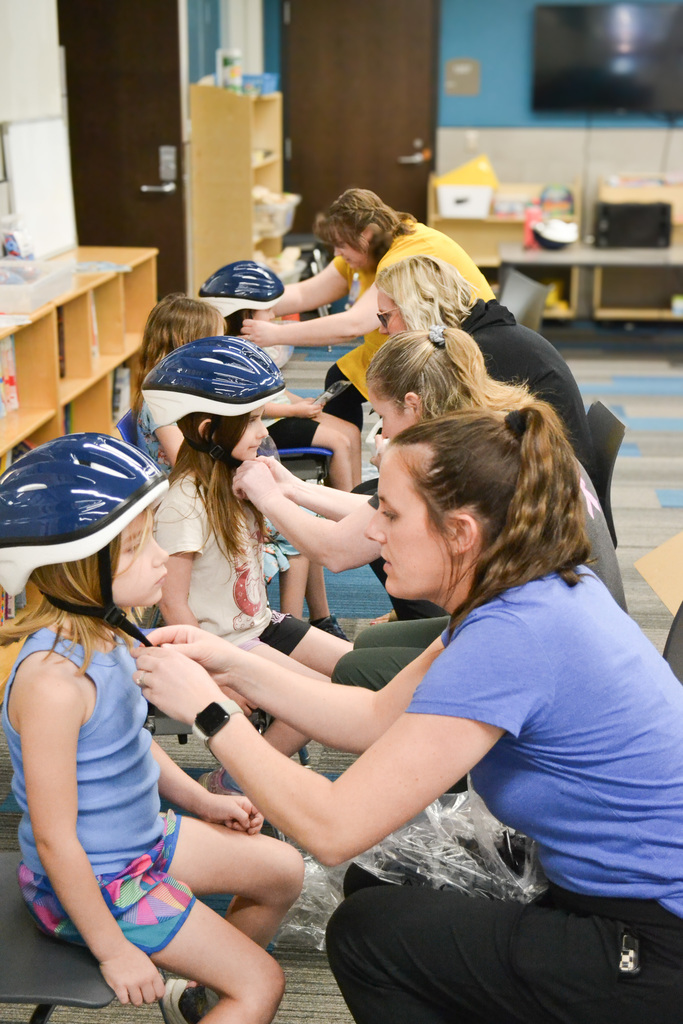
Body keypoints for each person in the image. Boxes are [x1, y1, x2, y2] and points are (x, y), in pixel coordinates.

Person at [134, 404, 683, 1024]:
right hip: (607, 892)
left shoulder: (515, 634)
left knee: (368, 934)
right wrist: (224, 660)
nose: (373, 533)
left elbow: (331, 829)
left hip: (654, 942)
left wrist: (210, 714)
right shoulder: (521, 587)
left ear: (461, 533)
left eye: (390, 515)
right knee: (382, 879)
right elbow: (372, 716)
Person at [0, 433, 304, 1024]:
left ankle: (200, 994)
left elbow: (128, 746)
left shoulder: (110, 633)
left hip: (139, 840)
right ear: (82, 568)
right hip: (90, 884)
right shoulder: (52, 683)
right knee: (262, 986)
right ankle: (226, 990)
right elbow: (59, 842)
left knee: (282, 871)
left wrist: (200, 801)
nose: (163, 557)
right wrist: (113, 951)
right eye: (140, 547)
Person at [233, 326, 625, 688]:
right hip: (576, 622)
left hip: (551, 648)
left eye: (382, 417)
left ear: (413, 405)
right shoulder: (491, 427)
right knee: (373, 641)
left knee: (355, 670)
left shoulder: (463, 457)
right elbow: (375, 511)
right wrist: (294, 489)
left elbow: (337, 550)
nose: (383, 432)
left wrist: (266, 497)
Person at [142, 335, 351, 787]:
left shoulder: (239, 480)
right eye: (253, 421)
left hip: (260, 623)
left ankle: (251, 771)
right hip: (225, 640)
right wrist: (212, 674)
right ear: (206, 432)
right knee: (323, 701)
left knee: (355, 670)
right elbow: (173, 603)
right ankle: (239, 782)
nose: (265, 432)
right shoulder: (184, 503)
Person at [132, 291, 346, 639]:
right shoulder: (169, 410)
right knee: (295, 535)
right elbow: (184, 454)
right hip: (206, 493)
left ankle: (299, 624)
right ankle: (291, 624)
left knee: (301, 523)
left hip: (222, 482)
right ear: (189, 345)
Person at [240, 188, 495, 430]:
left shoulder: (405, 253)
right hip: (411, 341)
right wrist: (247, 301)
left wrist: (274, 334)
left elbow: (353, 325)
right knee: (339, 381)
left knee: (385, 402)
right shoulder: (370, 250)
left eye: (341, 244)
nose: (337, 252)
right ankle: (344, 455)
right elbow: (306, 293)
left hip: (462, 347)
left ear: (368, 235)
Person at [374, 253, 596, 481]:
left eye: (385, 318)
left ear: (414, 309)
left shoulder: (481, 354)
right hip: (548, 477)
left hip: (554, 490)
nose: (382, 330)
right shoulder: (482, 336)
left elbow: (462, 455)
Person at [200, 260, 362, 491]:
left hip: (282, 413)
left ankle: (356, 500)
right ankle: (342, 514)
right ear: (245, 313)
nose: (273, 314)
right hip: (262, 425)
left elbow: (275, 389)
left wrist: (302, 403)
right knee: (339, 441)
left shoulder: (254, 345)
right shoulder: (230, 353)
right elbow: (249, 407)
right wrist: (294, 410)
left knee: (351, 431)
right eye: (267, 310)